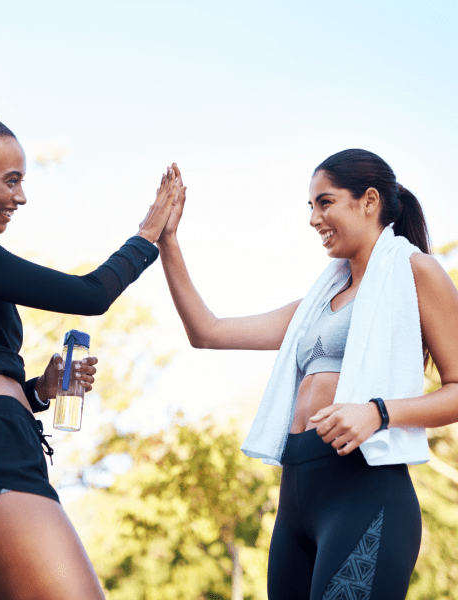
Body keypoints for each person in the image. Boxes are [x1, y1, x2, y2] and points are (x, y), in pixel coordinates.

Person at [0, 86, 182, 600]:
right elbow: (89, 294)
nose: (21, 197)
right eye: (11, 180)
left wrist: (41, 390)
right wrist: (147, 237)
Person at [158, 152, 458, 599]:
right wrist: (168, 242)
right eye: (311, 207)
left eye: (325, 202)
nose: (314, 218)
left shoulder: (416, 272)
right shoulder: (315, 306)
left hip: (366, 492)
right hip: (297, 495)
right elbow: (207, 332)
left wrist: (378, 413)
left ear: (369, 201)